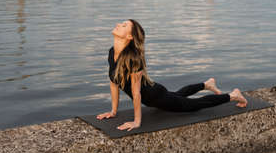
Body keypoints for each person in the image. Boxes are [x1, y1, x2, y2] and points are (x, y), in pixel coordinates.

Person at [96, 19, 247, 131]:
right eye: (121, 23)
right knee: (178, 95)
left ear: (129, 37)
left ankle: (233, 95)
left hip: (156, 96)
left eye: (124, 25)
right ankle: (206, 84)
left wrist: (137, 122)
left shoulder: (134, 58)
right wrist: (113, 112)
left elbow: (136, 94)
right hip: (154, 95)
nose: (118, 24)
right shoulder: (112, 52)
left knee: (194, 105)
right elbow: (113, 82)